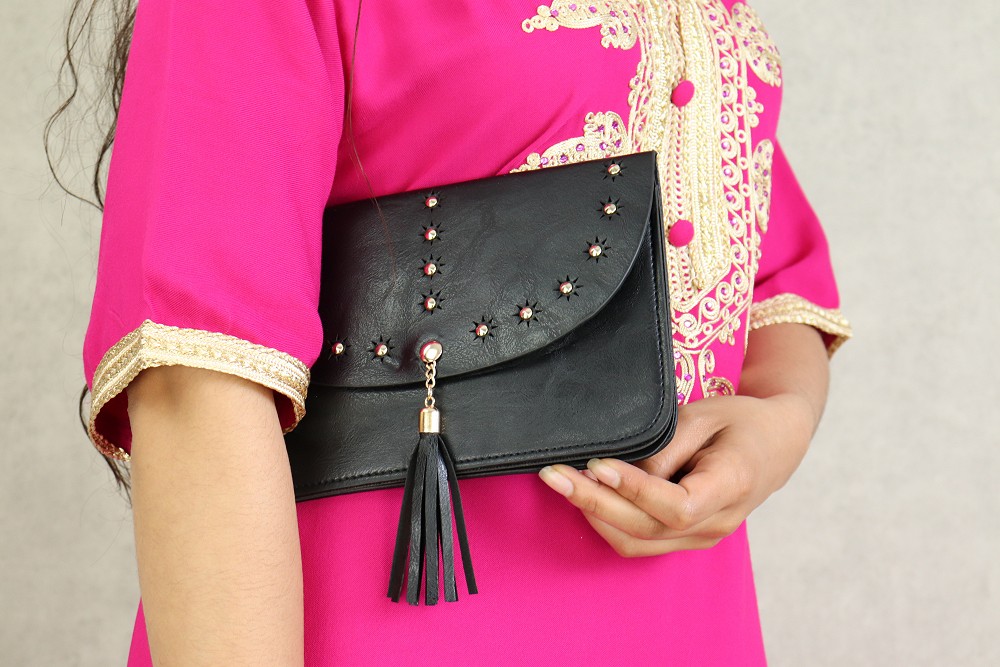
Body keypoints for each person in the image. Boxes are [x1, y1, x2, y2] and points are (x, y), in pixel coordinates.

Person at [64, 0, 851, 664]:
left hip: (690, 620)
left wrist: (778, 418)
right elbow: (196, 375)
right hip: (390, 611)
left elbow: (763, 260)